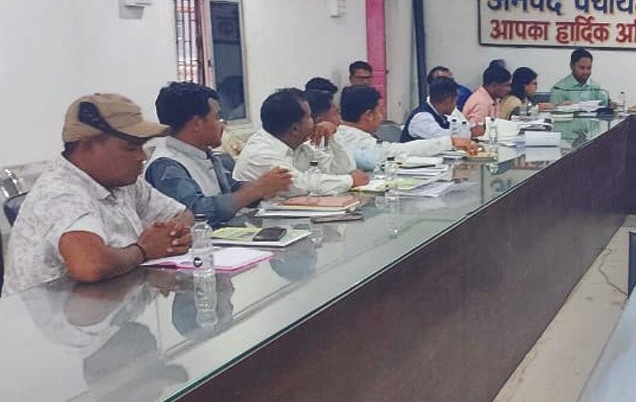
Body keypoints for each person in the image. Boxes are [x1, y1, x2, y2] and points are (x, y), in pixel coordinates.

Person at [3, 94, 193, 296]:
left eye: (142, 146)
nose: (142, 156)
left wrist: (171, 236)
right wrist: (144, 250)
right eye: (130, 147)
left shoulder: (121, 181)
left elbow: (184, 215)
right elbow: (90, 264)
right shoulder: (59, 193)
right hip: (53, 313)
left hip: (113, 306)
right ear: (87, 146)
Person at [146, 82, 292, 226]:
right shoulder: (166, 165)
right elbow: (196, 212)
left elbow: (232, 187)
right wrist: (256, 190)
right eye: (217, 117)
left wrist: (265, 187)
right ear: (197, 124)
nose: (222, 124)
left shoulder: (202, 153)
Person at [233, 88, 368, 196]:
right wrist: (350, 181)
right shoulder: (260, 152)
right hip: (255, 220)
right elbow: (299, 185)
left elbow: (344, 170)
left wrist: (333, 136)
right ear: (295, 129)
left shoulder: (299, 145)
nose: (315, 121)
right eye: (309, 117)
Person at [336, 85, 476, 171]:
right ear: (369, 115)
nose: (383, 115)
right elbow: (394, 152)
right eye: (381, 110)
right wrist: (449, 141)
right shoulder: (353, 139)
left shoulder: (348, 134)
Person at [404, 78, 481, 142]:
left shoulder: (440, 116)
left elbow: (453, 129)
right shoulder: (422, 118)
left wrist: (469, 129)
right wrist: (470, 133)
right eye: (455, 101)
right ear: (448, 100)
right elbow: (442, 138)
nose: (455, 105)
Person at [426, 67, 473, 136]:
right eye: (442, 80)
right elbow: (445, 137)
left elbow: (465, 127)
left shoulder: (443, 112)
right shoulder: (423, 117)